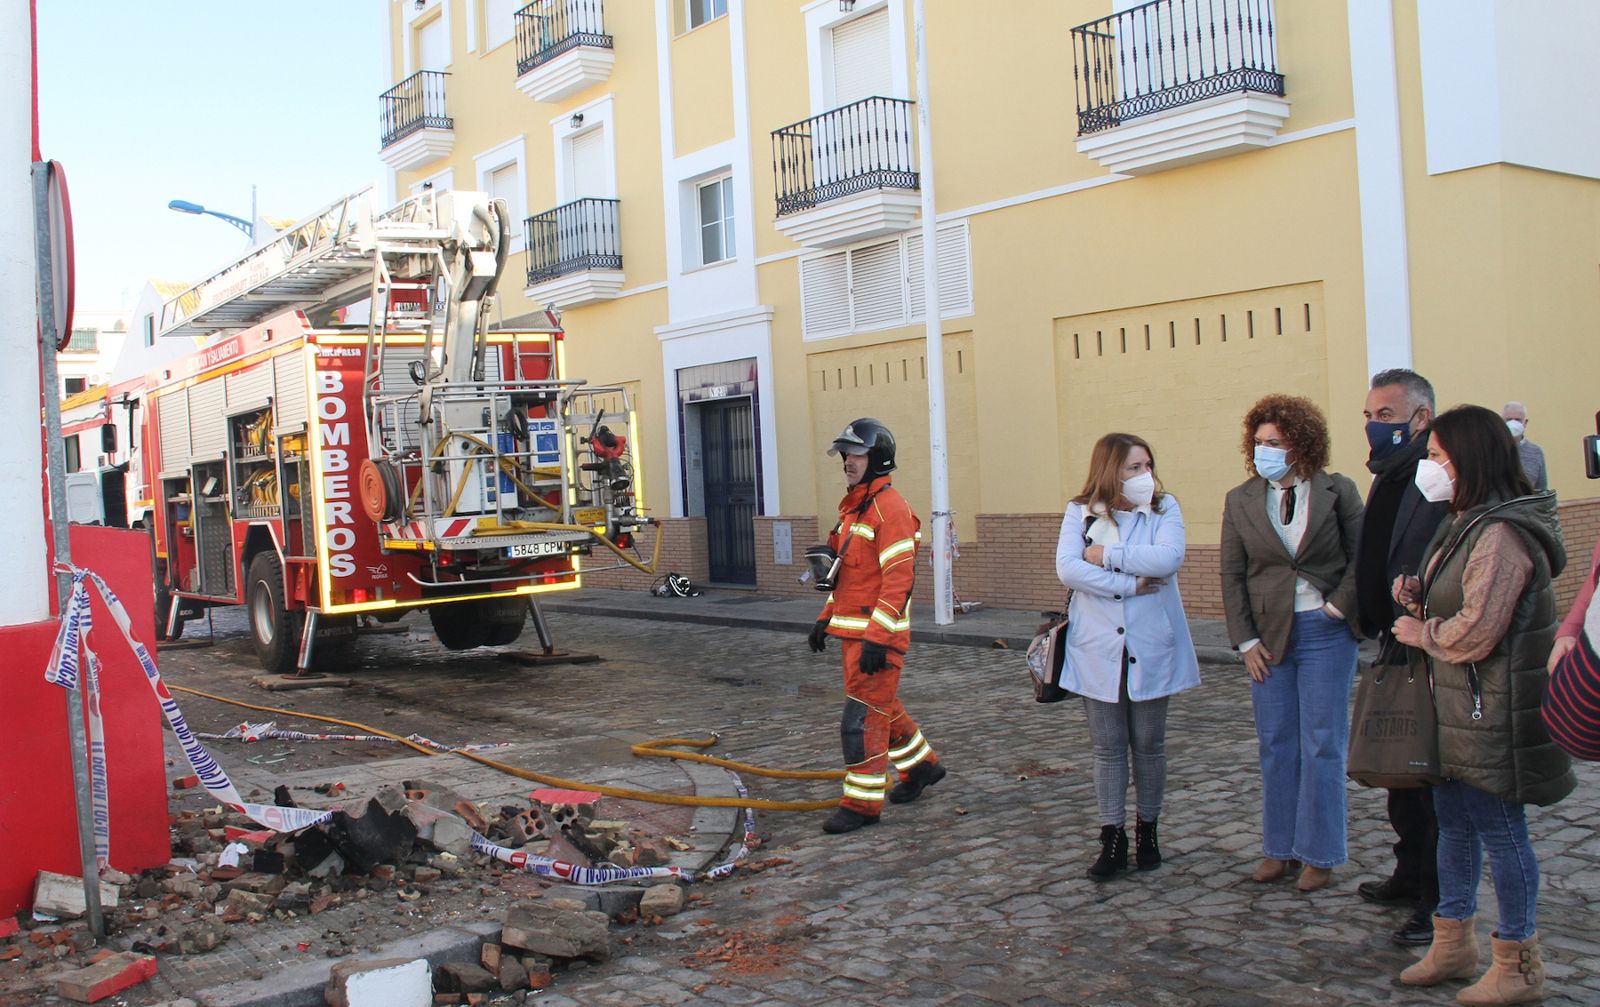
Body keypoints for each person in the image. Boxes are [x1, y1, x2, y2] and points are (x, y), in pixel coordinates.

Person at [1391, 404, 1574, 1005]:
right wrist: (1419, 596)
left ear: (1468, 459)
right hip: (1458, 706)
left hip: (1490, 709)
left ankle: (1518, 962)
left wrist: (1423, 632)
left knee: (1500, 831)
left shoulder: (1500, 533)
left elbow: (1477, 631)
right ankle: (1452, 942)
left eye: (1437, 456)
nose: (1429, 467)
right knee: (1454, 826)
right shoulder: (1465, 521)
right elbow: (1459, 598)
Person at [1220, 394, 1363, 893]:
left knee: (1323, 743)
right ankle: (1278, 848)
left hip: (1326, 631)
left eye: (1276, 442)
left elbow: (1362, 556)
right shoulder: (1240, 499)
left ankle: (1320, 852)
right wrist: (1245, 640)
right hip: (1268, 637)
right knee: (1276, 744)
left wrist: (1337, 607)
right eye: (1259, 442)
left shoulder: (1338, 490)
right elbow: (1232, 574)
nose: (1265, 450)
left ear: (1301, 444)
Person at [1054, 433, 1199, 881]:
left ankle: (1148, 829)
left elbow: (1167, 559)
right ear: (1110, 470)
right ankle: (1112, 836)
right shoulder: (1080, 511)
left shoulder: (1164, 508)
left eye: (1148, 466)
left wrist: (1105, 556)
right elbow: (1069, 569)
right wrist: (1129, 584)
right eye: (1134, 467)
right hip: (1098, 649)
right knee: (1109, 747)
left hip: (1150, 645)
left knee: (1149, 745)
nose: (1144, 475)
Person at [806, 418, 943, 834]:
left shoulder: (891, 510)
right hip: (855, 636)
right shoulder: (854, 509)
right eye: (845, 455)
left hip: (877, 639)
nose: (847, 461)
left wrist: (879, 639)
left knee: (862, 721)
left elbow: (898, 582)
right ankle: (921, 767)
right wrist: (825, 619)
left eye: (855, 454)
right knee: (882, 707)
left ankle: (862, 805)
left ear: (877, 459)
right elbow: (848, 576)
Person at [1352, 369, 1449, 945]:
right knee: (1401, 775)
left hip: (1428, 643)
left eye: (1385, 415)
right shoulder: (1387, 472)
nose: (1373, 425)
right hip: (1392, 639)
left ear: (1420, 418)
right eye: (1369, 414)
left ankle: (1438, 901)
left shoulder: (1434, 476)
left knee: (1429, 778)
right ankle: (1409, 873)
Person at [1500, 402, 1547, 491]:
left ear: (1525, 423)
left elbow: (1542, 489)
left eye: (1517, 420)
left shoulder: (1536, 452)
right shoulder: (1491, 450)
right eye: (1509, 420)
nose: (1513, 423)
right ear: (1502, 422)